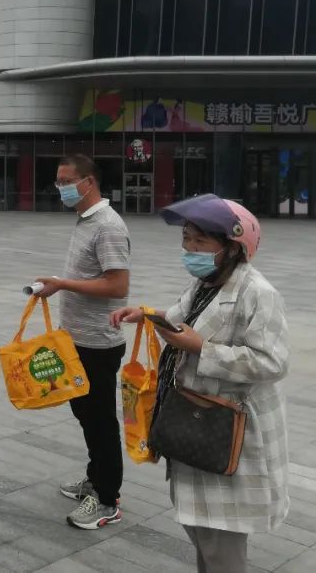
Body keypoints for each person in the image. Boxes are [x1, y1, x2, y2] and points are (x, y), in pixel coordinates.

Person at [111, 195, 288, 573]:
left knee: (220, 541)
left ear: (233, 247)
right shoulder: (205, 284)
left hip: (227, 431)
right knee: (201, 531)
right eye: (186, 239)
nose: (190, 249)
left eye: (200, 241)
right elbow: (181, 321)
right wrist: (148, 314)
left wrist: (202, 349)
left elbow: (272, 362)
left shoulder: (258, 292)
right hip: (195, 421)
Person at [34, 154, 130, 530]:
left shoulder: (108, 226)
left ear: (88, 182)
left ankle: (107, 499)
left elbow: (117, 285)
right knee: (86, 416)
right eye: (58, 181)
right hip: (77, 339)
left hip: (98, 343)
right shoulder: (87, 220)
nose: (60, 188)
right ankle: (95, 478)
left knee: (100, 421)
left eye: (66, 181)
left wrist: (62, 284)